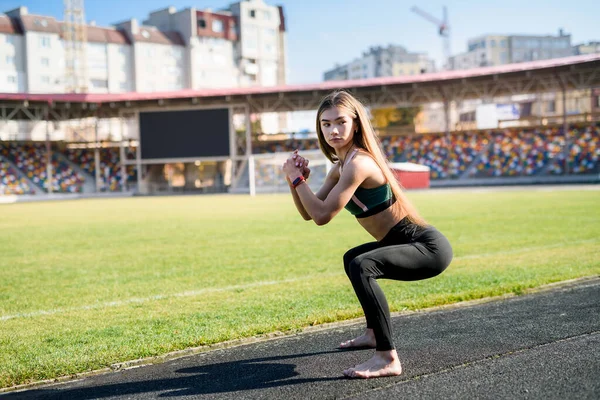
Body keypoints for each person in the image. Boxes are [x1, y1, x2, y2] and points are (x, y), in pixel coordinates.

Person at [281, 90, 453, 379]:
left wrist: (298, 179)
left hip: (426, 247)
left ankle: (387, 358)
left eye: (340, 122)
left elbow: (323, 216)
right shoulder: (340, 167)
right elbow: (308, 213)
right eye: (325, 124)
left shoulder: (359, 164)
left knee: (364, 265)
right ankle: (373, 334)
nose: (333, 130)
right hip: (399, 242)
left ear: (356, 124)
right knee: (353, 258)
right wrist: (294, 181)